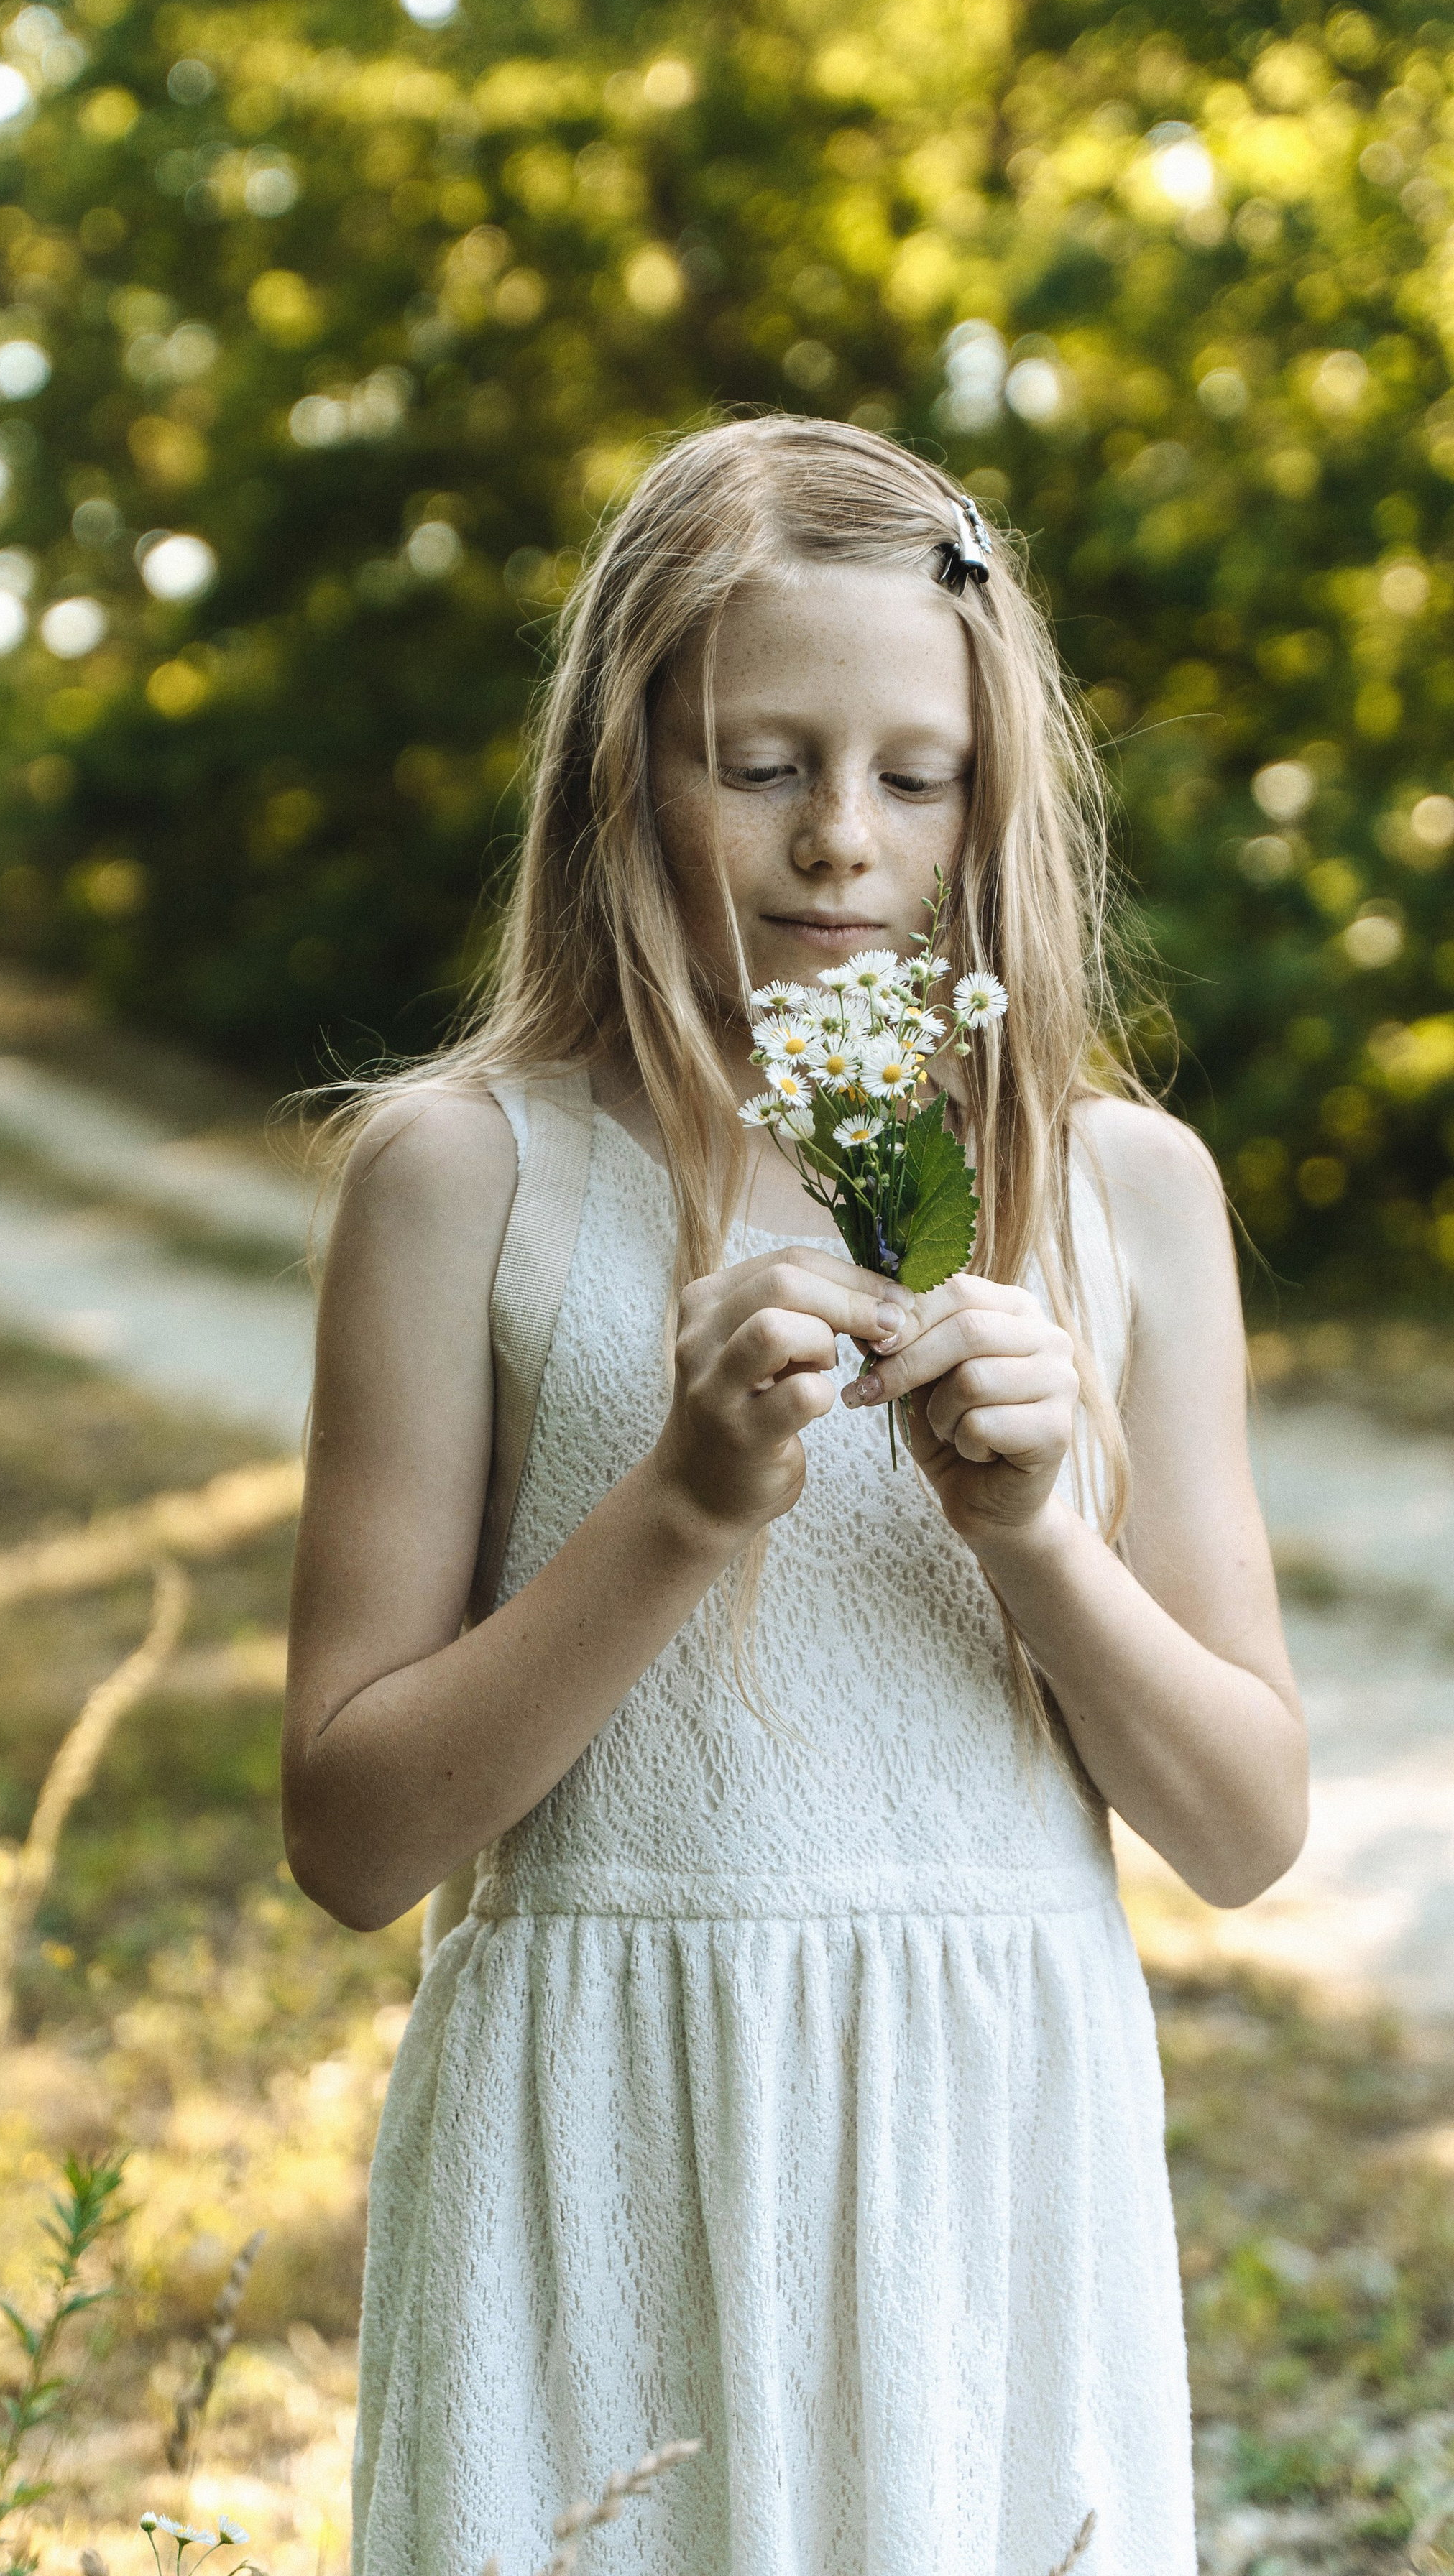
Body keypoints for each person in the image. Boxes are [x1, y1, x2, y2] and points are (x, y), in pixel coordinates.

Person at [282, 416, 1307, 2576]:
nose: (839, 843)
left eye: (913, 779)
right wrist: (682, 1499)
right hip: (597, 2129)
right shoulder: (466, 1176)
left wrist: (1033, 1536)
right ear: (622, 769)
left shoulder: (1119, 1194)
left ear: (987, 800)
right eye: (758, 764)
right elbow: (356, 1836)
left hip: (989, 2135)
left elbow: (1240, 1825)